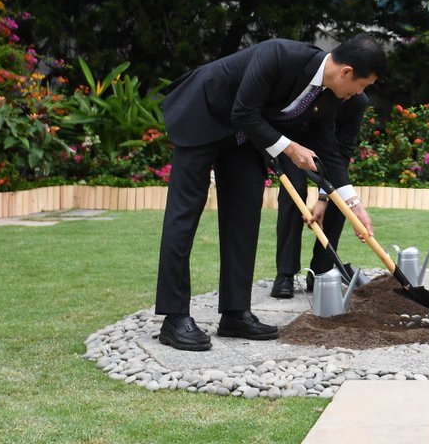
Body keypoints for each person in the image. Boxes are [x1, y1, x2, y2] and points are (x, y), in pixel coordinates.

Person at [155, 34, 385, 351]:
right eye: (362, 85)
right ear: (346, 72)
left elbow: (329, 153)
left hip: (244, 138)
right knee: (183, 218)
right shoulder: (279, 55)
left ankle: (235, 314)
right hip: (204, 115)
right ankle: (174, 318)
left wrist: (353, 203)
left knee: (244, 219)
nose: (359, 94)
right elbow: (243, 111)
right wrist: (290, 149)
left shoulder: (330, 95)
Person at [270, 91, 370, 299]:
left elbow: (342, 152)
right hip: (294, 146)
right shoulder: (317, 89)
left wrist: (324, 198)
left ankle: (321, 272)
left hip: (329, 153)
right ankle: (285, 274)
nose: (355, 92)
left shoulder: (358, 102)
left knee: (339, 199)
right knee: (294, 192)